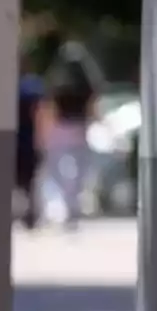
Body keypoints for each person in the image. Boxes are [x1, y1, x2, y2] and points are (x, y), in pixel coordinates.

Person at [42, 40, 102, 227]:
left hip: (60, 128)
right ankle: (72, 201)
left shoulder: (56, 79)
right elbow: (93, 105)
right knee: (80, 170)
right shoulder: (87, 82)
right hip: (78, 127)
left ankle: (69, 201)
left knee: (56, 169)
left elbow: (50, 105)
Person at [15, 52, 44, 229]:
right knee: (29, 182)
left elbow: (40, 113)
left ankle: (27, 214)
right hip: (27, 140)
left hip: (21, 140)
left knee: (25, 181)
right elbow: (40, 113)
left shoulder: (15, 85)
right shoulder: (32, 86)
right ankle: (29, 215)